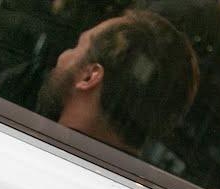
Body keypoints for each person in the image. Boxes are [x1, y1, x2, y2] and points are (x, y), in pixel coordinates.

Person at [34, 10, 198, 152]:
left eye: (77, 46)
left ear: (89, 76)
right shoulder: (131, 179)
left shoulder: (34, 156)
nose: (63, 56)